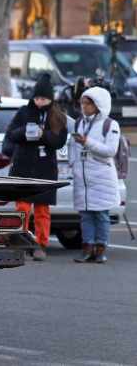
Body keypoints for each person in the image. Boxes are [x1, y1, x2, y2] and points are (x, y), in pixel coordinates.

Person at [4, 73, 67, 261]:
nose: (40, 102)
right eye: (37, 98)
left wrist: (44, 135)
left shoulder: (57, 115)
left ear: (50, 99)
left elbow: (59, 141)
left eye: (44, 98)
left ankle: (41, 244)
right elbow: (11, 134)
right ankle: (21, 241)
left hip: (45, 168)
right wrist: (25, 132)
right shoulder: (23, 112)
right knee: (22, 207)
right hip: (23, 165)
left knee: (42, 210)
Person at [69, 86, 120, 264]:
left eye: (88, 103)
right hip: (82, 177)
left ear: (98, 104)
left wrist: (87, 142)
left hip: (101, 176)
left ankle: (100, 249)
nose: (84, 106)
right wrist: (72, 164)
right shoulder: (78, 123)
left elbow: (110, 150)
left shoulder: (110, 124)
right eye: (82, 103)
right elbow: (72, 147)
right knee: (85, 216)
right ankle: (87, 248)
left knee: (101, 215)